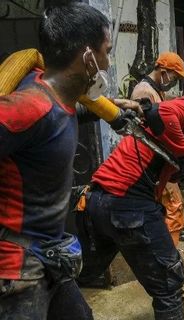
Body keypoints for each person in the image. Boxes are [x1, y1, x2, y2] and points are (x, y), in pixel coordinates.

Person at [0, 3, 139, 319]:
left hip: (49, 254)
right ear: (88, 56)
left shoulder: (55, 98)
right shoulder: (26, 108)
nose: (108, 60)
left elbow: (55, 122)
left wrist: (105, 110)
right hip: (18, 269)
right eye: (106, 50)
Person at [77, 68, 184, 320]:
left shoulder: (173, 107)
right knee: (169, 287)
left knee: (84, 277)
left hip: (95, 202)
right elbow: (165, 114)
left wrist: (182, 171)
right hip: (129, 205)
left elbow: (160, 147)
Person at [129, 51, 184, 280]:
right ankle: (170, 266)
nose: (174, 81)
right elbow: (148, 131)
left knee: (167, 211)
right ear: (163, 72)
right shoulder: (144, 92)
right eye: (174, 76)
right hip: (151, 164)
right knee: (173, 208)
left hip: (158, 162)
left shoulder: (156, 90)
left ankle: (168, 262)